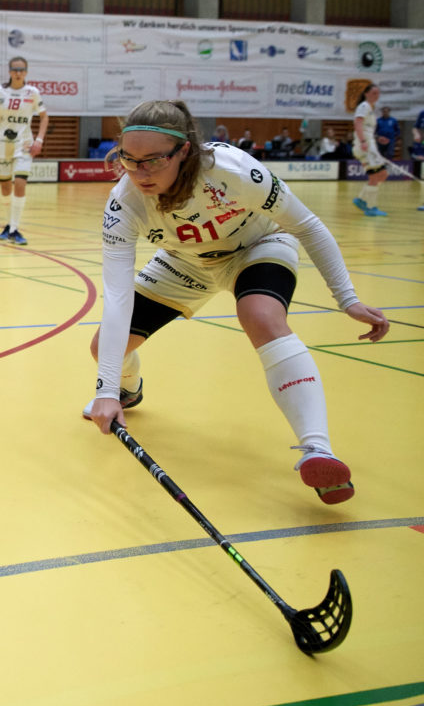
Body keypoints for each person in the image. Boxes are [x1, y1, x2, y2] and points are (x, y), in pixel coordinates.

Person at [83, 100, 389, 506]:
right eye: (129, 159)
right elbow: (119, 296)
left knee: (260, 316)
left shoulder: (233, 171)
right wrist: (106, 389)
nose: (140, 173)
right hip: (184, 263)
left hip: (257, 246)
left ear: (184, 151)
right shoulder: (124, 203)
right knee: (103, 348)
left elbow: (308, 226)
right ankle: (129, 390)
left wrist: (347, 299)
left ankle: (319, 450)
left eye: (154, 161)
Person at [0, 56, 47, 245]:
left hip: (24, 143)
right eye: (15, 70)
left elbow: (44, 117)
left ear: (26, 72)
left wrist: (39, 140)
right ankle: (9, 225)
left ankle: (14, 229)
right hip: (3, 143)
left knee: (19, 182)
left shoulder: (33, 92)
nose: (18, 73)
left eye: (22, 70)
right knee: (4, 186)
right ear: (10, 72)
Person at [351, 84, 390, 217]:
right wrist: (363, 141)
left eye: (378, 93)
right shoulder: (364, 106)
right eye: (373, 93)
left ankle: (361, 200)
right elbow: (357, 123)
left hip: (369, 145)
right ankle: (371, 207)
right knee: (377, 175)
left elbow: (366, 129)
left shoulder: (370, 108)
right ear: (366, 93)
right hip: (365, 147)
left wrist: (378, 138)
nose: (376, 96)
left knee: (382, 174)